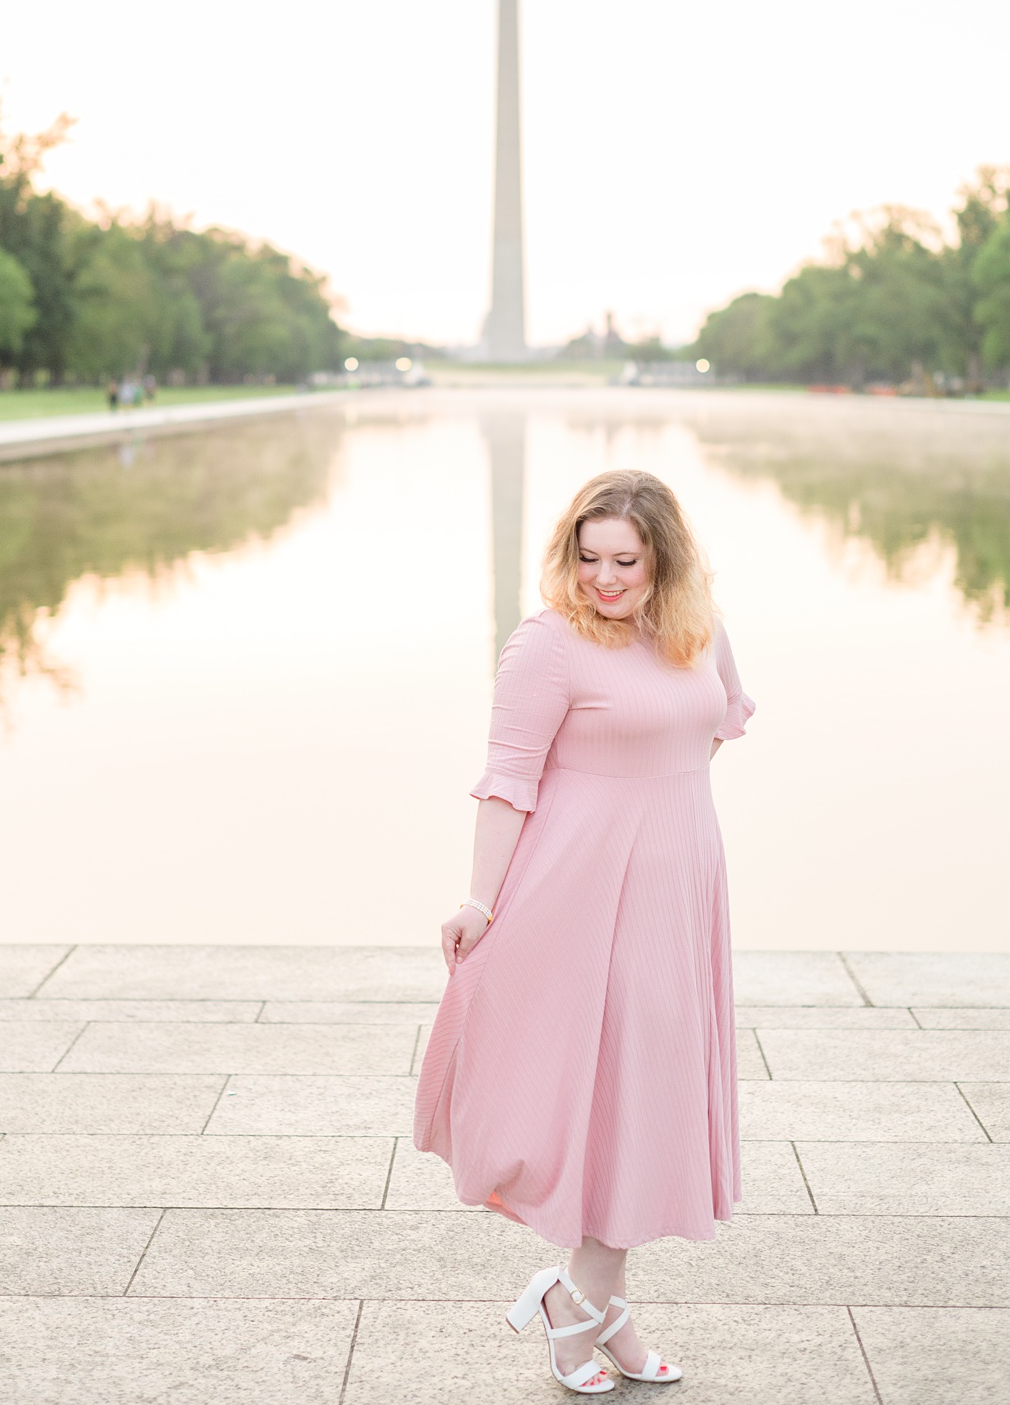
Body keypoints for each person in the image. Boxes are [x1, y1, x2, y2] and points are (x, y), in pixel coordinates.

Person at [412, 469, 751, 1396]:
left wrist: (658, 799)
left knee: (650, 1096)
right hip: (580, 890)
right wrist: (480, 902)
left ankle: (586, 1304)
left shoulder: (697, 629)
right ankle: (589, 1306)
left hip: (679, 884)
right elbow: (507, 779)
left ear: (664, 559)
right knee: (617, 1097)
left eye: (626, 561)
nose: (604, 578)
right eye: (588, 556)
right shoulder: (547, 645)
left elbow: (715, 725)